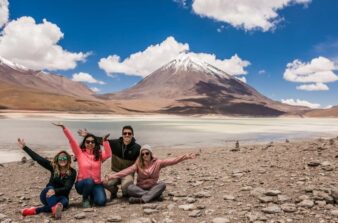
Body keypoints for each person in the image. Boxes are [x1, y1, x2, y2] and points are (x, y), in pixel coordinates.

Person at [104, 144, 196, 204]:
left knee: (162, 185)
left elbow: (172, 161)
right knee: (129, 188)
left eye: (147, 153)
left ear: (150, 154)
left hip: (153, 186)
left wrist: (185, 157)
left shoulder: (158, 163)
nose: (144, 155)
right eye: (142, 154)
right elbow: (126, 171)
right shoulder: (138, 164)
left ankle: (142, 199)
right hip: (140, 188)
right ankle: (153, 195)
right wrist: (112, 176)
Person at [53, 123, 111, 208]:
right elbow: (72, 141)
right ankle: (85, 199)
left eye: (92, 142)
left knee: (101, 202)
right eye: (87, 142)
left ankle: (92, 195)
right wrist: (65, 129)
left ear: (95, 144)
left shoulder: (99, 155)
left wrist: (105, 141)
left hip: (96, 184)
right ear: (84, 143)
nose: (90, 143)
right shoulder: (80, 153)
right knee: (89, 181)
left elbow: (109, 154)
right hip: (82, 184)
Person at [18, 138, 76, 219]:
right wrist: (25, 147)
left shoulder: (72, 172)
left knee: (64, 201)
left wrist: (55, 191)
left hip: (61, 196)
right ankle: (54, 209)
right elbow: (38, 158)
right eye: (60, 158)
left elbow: (67, 188)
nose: (62, 160)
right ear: (57, 160)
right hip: (47, 195)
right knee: (50, 188)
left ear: (68, 160)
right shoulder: (53, 167)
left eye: (64, 158)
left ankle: (34, 210)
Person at [78, 125, 141, 200]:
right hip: (114, 171)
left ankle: (125, 193)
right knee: (105, 182)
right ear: (122, 134)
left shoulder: (137, 148)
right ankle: (114, 192)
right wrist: (88, 135)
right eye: (125, 133)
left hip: (127, 173)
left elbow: (141, 160)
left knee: (126, 187)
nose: (127, 135)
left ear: (132, 135)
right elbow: (101, 140)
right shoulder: (116, 143)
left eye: (129, 133)